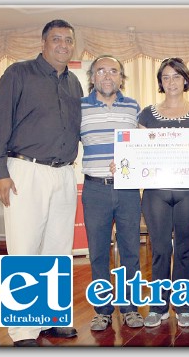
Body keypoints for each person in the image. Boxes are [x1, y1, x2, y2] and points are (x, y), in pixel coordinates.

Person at [0, 19, 83, 347]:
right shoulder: (18, 74)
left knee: (57, 249)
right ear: (43, 44)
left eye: (68, 40)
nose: (63, 45)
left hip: (64, 173)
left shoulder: (74, 85)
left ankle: (53, 318)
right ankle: (24, 330)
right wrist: (0, 172)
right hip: (24, 172)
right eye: (56, 39)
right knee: (25, 249)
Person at [138, 57, 189, 328]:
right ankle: (158, 307)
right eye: (166, 77)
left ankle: (182, 305)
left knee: (183, 249)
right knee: (159, 249)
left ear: (185, 80)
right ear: (160, 82)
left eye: (176, 76)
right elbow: (139, 154)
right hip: (156, 192)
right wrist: (124, 165)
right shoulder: (146, 114)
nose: (171, 82)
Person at [80, 54, 144, 331]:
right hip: (95, 188)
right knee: (97, 252)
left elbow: (143, 146)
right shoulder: (79, 107)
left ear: (121, 77)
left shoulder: (133, 107)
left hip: (128, 190)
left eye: (113, 71)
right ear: (92, 77)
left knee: (131, 250)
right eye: (101, 71)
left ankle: (130, 307)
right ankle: (103, 310)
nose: (107, 76)